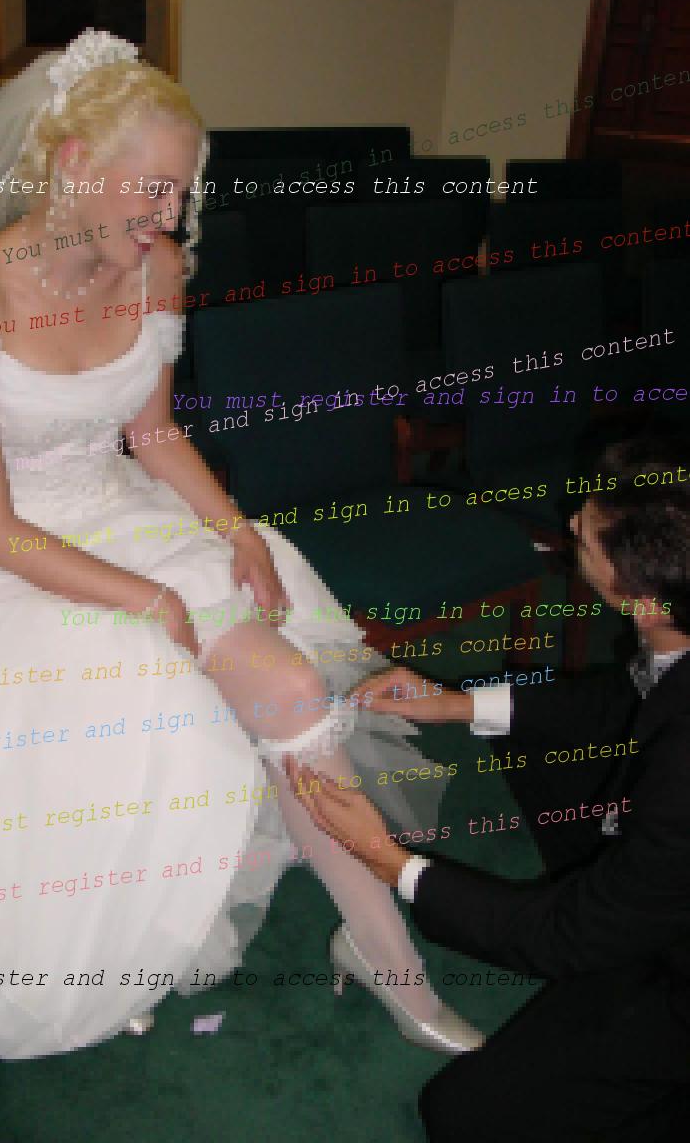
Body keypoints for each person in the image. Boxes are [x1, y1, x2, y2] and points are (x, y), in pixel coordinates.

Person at [0, 30, 480, 1060]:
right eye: (153, 189)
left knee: (293, 693)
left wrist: (234, 531)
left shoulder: (156, 267)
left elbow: (152, 435)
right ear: (74, 164)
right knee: (108, 735)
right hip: (5, 551)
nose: (170, 215)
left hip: (127, 513)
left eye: (182, 192)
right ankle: (109, 948)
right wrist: (148, 601)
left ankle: (386, 953)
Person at [287, 430, 690, 1140]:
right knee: (526, 736)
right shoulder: (673, 635)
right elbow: (629, 698)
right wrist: (455, 704)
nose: (572, 522)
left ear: (646, 600)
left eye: (588, 535)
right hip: (652, 872)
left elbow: (567, 932)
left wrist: (389, 859)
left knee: (464, 1116)